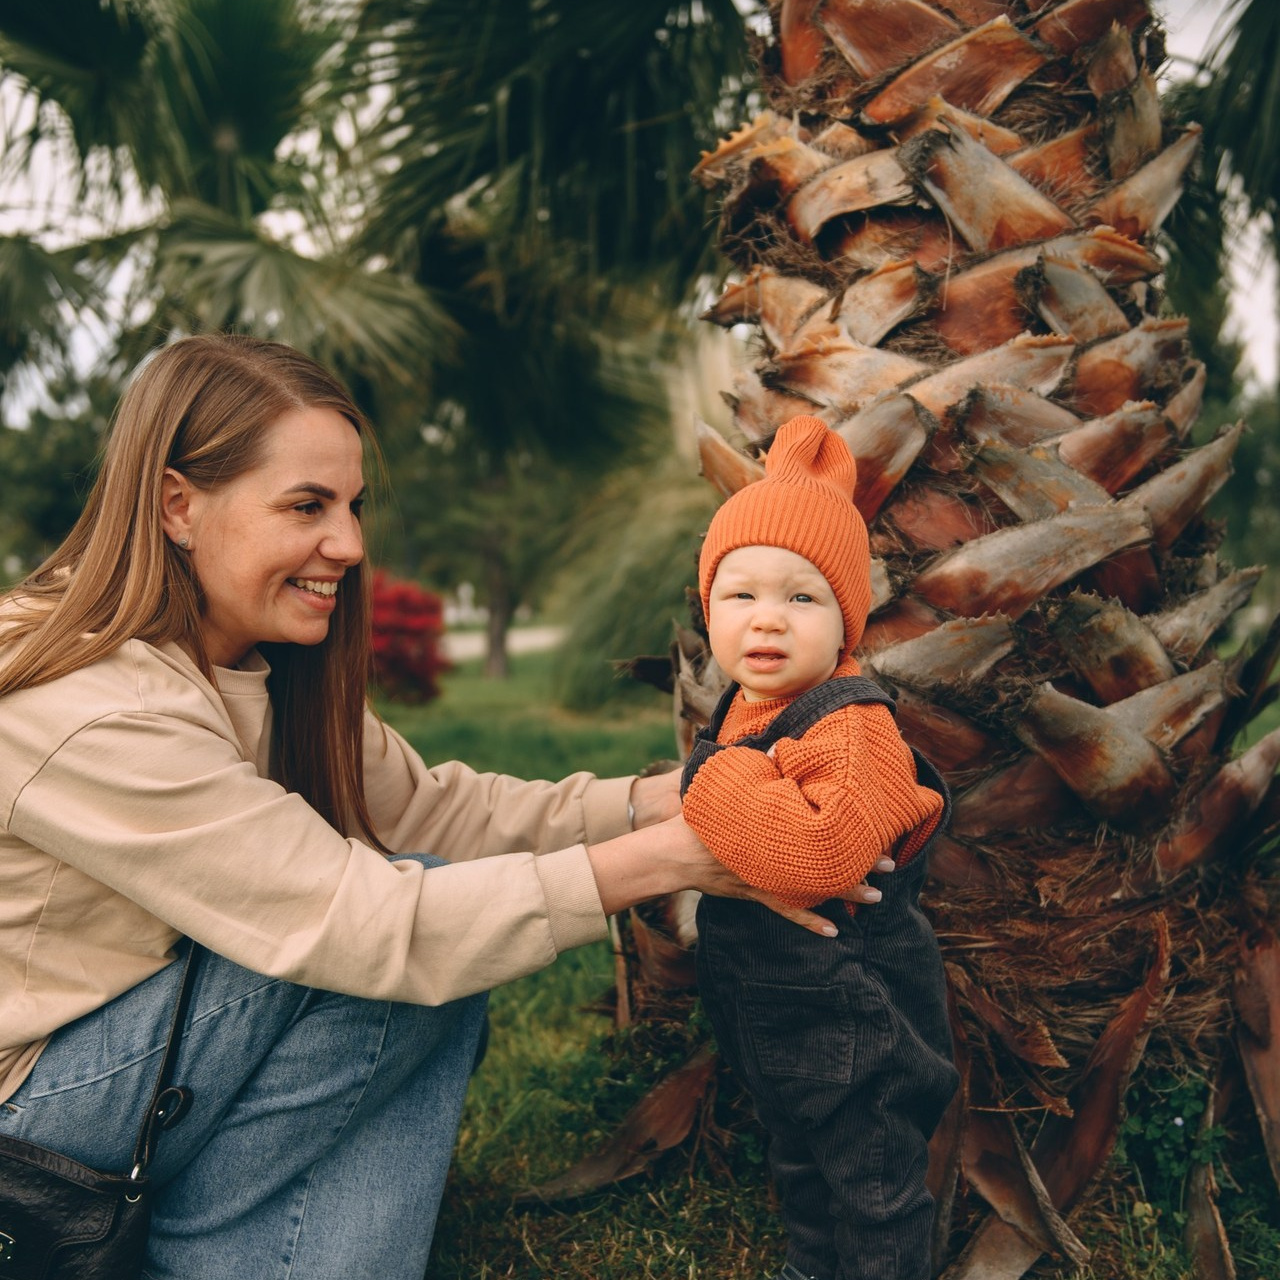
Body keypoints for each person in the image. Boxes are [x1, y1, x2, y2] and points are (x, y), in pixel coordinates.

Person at [0, 336, 889, 1280]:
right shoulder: (87, 705)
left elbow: (433, 813)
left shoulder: (254, 665)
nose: (348, 545)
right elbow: (360, 918)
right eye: (307, 506)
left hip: (131, 1061)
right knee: (406, 935)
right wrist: (680, 856)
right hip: (32, 1125)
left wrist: (673, 797)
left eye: (351, 506)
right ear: (179, 505)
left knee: (438, 930)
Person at [680, 414, 960, 1280]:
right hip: (777, 1005)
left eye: (801, 598)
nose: (767, 621)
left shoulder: (850, 725)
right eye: (741, 595)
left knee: (872, 1184)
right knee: (802, 1163)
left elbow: (819, 860)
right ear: (709, 607)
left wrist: (710, 784)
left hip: (852, 1013)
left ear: (845, 621)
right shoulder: (747, 708)